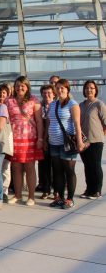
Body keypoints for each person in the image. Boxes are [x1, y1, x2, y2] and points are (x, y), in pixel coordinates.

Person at [5, 76, 44, 206]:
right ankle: (17, 195)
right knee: (16, 168)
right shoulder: (8, 100)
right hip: (14, 138)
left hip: (29, 138)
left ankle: (31, 197)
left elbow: (39, 121)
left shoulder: (34, 100)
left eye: (22, 85)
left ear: (27, 87)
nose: (19, 88)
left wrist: (40, 138)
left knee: (30, 168)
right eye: (17, 85)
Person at [47, 79, 84, 209]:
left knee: (69, 171)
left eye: (62, 88)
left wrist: (79, 141)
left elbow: (77, 124)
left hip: (67, 144)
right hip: (54, 143)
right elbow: (49, 122)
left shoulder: (73, 104)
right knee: (57, 171)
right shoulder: (53, 105)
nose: (60, 90)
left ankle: (70, 199)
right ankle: (60, 198)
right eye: (57, 88)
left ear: (68, 89)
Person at [79, 80, 106, 199]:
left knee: (95, 165)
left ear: (95, 90)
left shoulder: (99, 104)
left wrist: (101, 134)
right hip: (83, 141)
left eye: (91, 88)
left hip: (96, 140)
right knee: (87, 165)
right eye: (87, 88)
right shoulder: (80, 105)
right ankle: (89, 189)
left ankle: (97, 190)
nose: (89, 90)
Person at [38, 84, 56, 199]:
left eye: (49, 93)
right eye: (44, 93)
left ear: (54, 94)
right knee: (44, 165)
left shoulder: (57, 105)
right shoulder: (39, 106)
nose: (47, 95)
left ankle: (57, 191)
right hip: (43, 139)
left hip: (55, 139)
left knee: (56, 166)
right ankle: (46, 189)